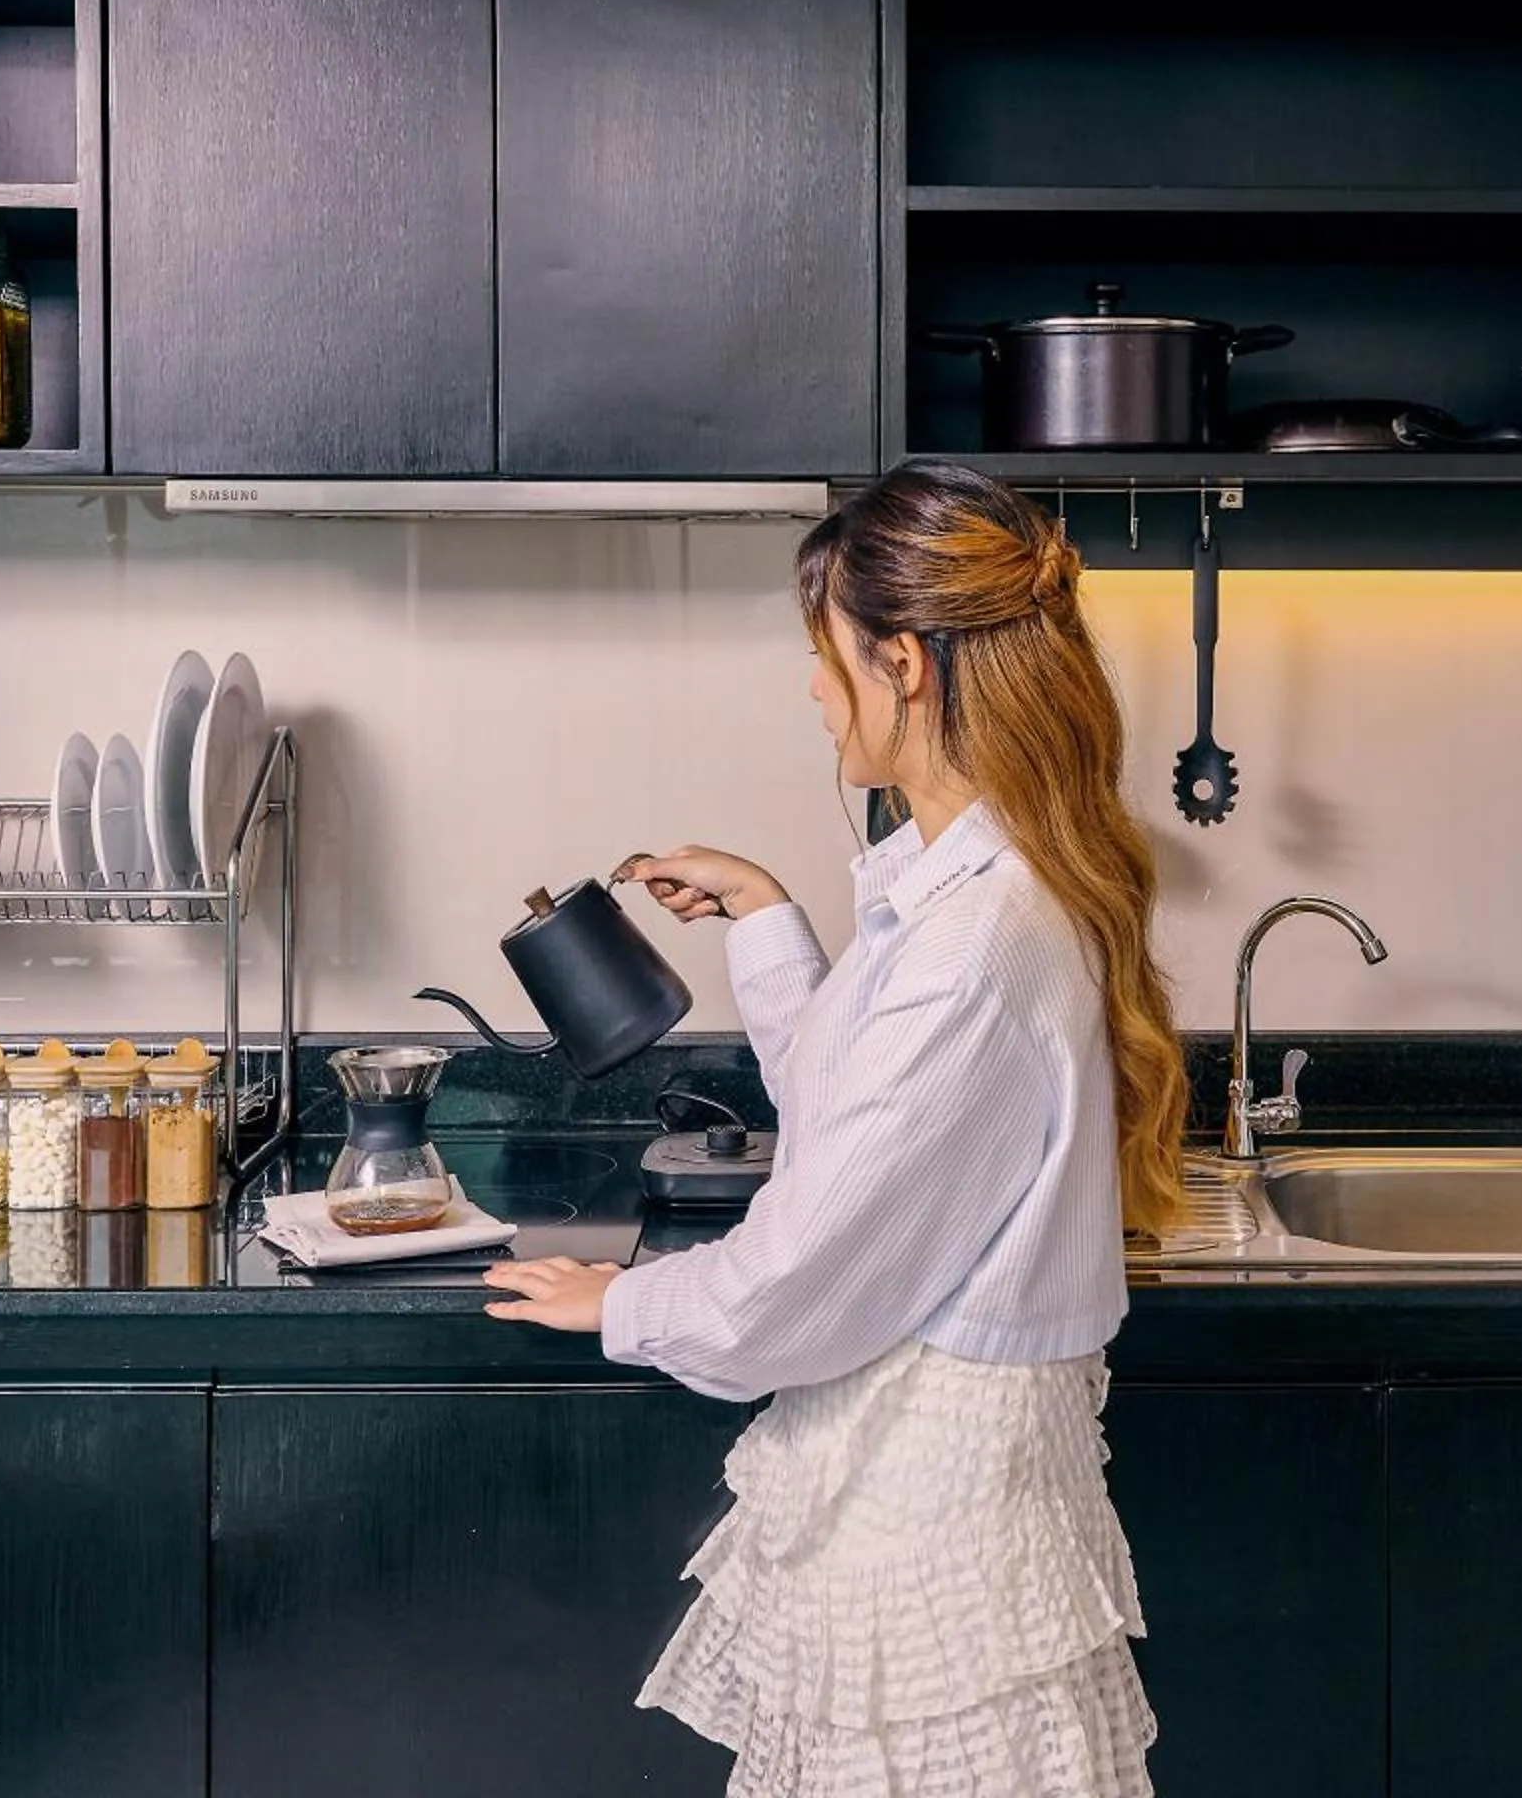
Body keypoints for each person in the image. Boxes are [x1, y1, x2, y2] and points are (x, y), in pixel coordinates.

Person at [483, 460, 1184, 1796]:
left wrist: (620, 1303)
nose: (815, 691)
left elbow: (801, 1277)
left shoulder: (977, 937)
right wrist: (763, 914)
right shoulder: (967, 888)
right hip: (926, 1499)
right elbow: (857, 1122)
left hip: (931, 1522)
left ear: (905, 664)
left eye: (827, 656)